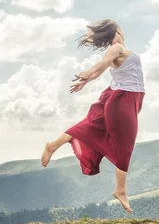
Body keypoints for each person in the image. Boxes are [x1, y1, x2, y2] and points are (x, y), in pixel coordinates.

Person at [40, 19, 145, 213]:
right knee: (125, 143)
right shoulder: (117, 47)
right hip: (123, 99)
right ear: (118, 30)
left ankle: (53, 145)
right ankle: (120, 190)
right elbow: (103, 63)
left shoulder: (119, 50)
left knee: (92, 125)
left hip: (122, 96)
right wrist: (87, 74)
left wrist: (85, 81)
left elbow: (102, 69)